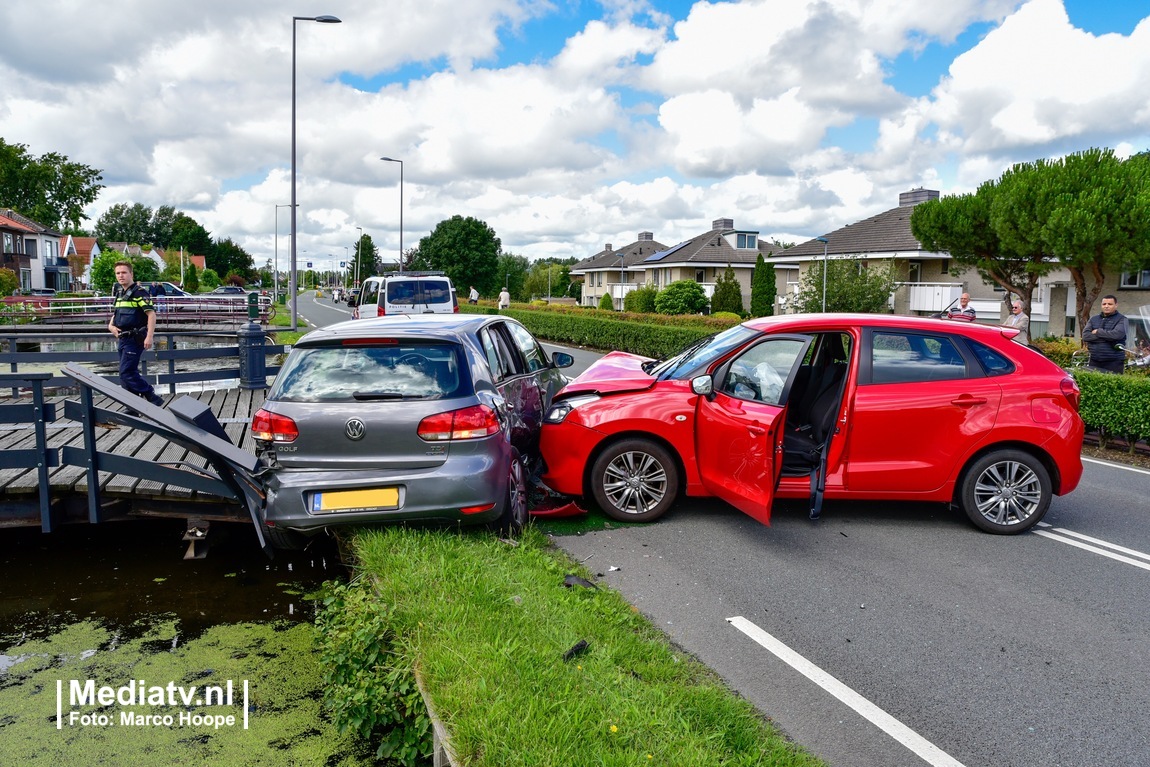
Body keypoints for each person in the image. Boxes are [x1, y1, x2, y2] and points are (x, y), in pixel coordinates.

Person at [108, 261, 164, 407]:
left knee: (126, 372)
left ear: (131, 274)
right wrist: (110, 326)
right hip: (122, 338)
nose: (121, 276)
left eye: (124, 272)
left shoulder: (140, 293)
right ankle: (132, 406)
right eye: (118, 273)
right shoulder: (119, 292)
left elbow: (151, 315)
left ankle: (150, 394)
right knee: (124, 374)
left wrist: (150, 336)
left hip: (135, 338)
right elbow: (116, 313)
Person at [1082, 294, 1128, 373]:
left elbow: (1116, 335)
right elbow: (1085, 336)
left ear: (1116, 305)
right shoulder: (1094, 319)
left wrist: (1097, 332)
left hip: (1114, 362)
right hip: (1094, 360)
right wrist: (1107, 337)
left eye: (1110, 304)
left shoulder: (1122, 319)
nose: (1106, 306)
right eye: (1104, 304)